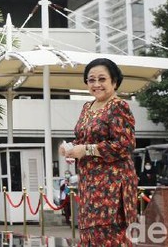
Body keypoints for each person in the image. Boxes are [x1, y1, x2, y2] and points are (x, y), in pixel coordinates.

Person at [59, 58, 137, 246]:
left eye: (102, 79)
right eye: (91, 80)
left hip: (112, 185)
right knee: (90, 235)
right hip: (89, 183)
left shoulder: (118, 106)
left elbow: (125, 144)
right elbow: (84, 139)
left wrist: (86, 150)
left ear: (114, 82)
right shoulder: (87, 107)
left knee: (109, 235)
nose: (96, 84)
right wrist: (70, 148)